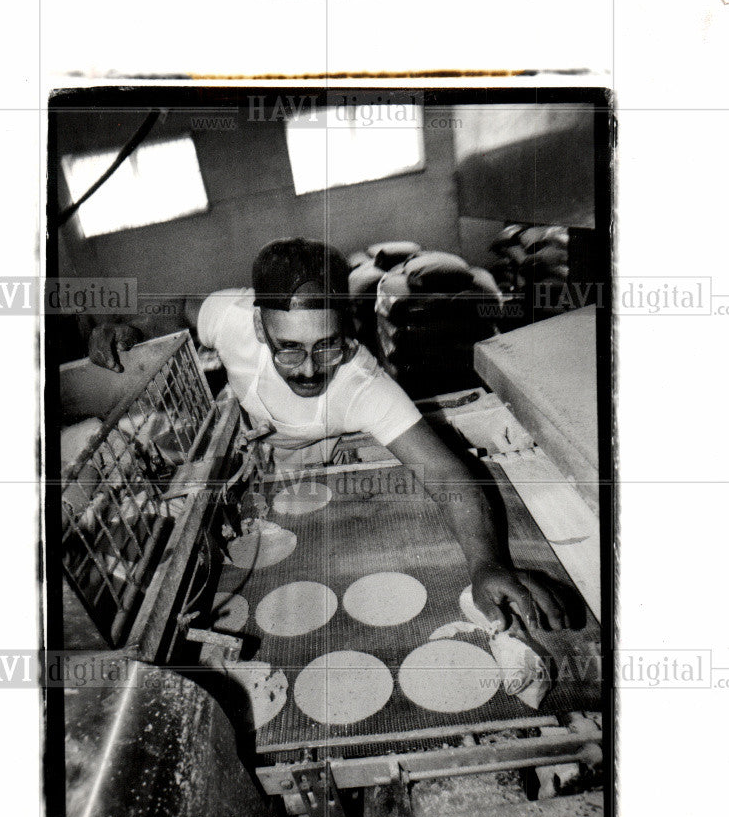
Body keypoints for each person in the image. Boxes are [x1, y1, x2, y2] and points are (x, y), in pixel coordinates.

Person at [88, 237, 573, 632]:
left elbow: (446, 472)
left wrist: (488, 564)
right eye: (289, 349)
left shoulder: (361, 386)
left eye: (327, 346)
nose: (307, 371)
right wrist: (132, 324)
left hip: (314, 453)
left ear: (347, 328)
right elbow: (181, 308)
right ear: (260, 326)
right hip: (251, 448)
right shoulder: (233, 318)